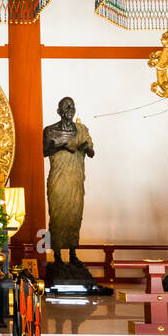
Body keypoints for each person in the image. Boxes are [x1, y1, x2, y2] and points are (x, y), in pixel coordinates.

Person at [43, 96, 94, 274]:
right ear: (59, 111)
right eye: (66, 107)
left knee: (74, 215)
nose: (69, 110)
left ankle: (72, 253)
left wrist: (85, 147)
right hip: (58, 179)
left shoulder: (82, 129)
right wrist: (63, 146)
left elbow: (92, 152)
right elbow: (45, 151)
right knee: (57, 215)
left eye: (72, 106)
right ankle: (57, 255)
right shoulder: (50, 130)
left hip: (75, 179)